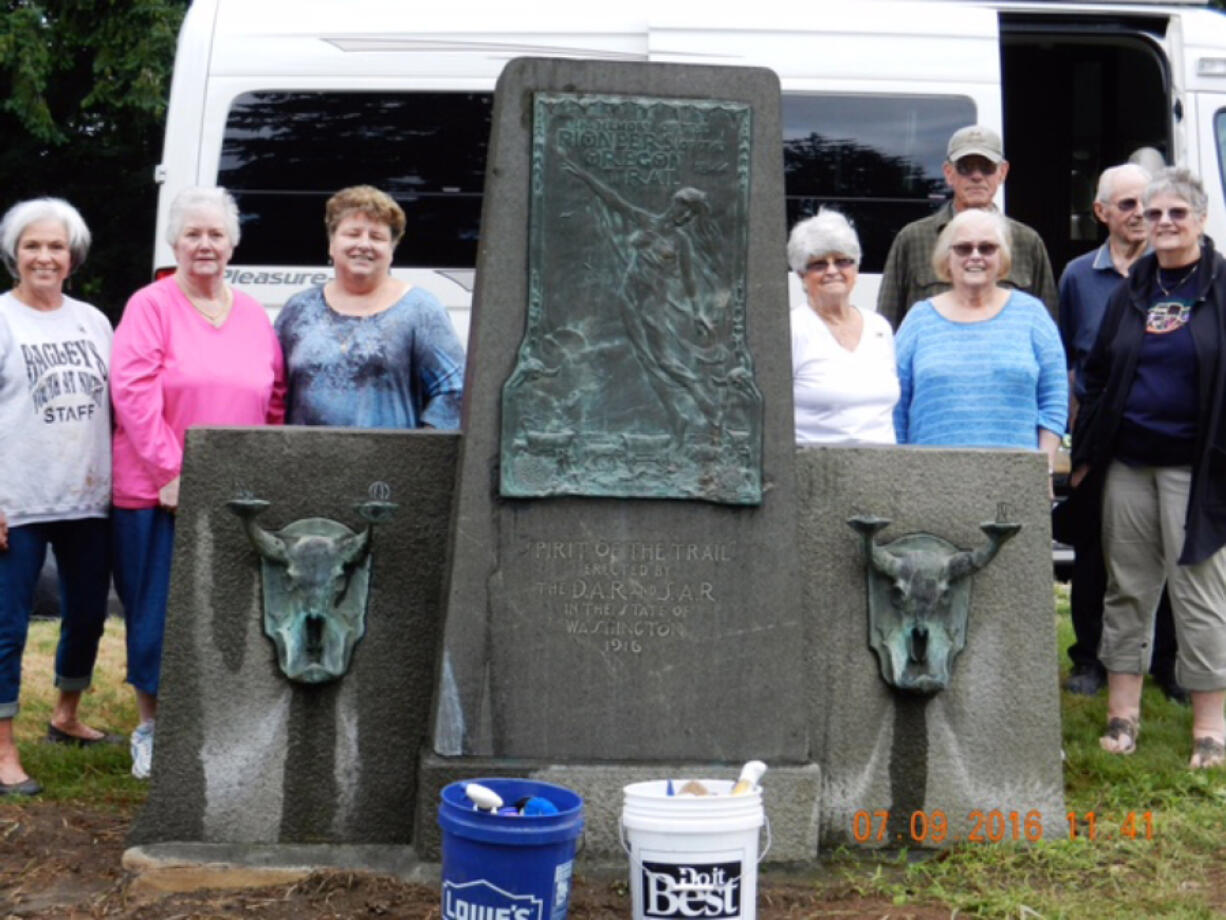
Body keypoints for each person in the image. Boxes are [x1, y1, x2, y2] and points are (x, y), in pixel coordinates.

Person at [111, 187, 285, 779]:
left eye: (216, 234)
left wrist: (264, 469)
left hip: (235, 496)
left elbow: (275, 398)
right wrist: (171, 472)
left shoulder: (255, 313)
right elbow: (132, 395)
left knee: (230, 615)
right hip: (158, 492)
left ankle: (218, 727)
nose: (205, 244)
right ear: (175, 243)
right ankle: (152, 731)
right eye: (193, 234)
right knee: (157, 617)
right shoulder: (150, 305)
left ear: (233, 243)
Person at [1070, 168, 1226, 769]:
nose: (1163, 223)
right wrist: (1085, 456)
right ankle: (1122, 715)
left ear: (1200, 220)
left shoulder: (1220, 286)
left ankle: (1210, 727)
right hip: (1129, 465)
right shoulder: (1132, 290)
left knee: (1200, 597)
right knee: (1128, 589)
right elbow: (1098, 373)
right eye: (1155, 214)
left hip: (1199, 470)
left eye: (1176, 214)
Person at [0, 198, 116, 796]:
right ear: (14, 254)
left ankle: (66, 714)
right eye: (32, 246)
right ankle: (2, 747)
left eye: (55, 246)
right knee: (7, 627)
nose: (44, 257)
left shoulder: (94, 321)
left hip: (88, 497)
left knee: (90, 614)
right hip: (16, 501)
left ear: (73, 256)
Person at [1057, 164, 1183, 701]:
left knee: (1174, 550)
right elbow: (1067, 361)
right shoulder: (1079, 276)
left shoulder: (1182, 275)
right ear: (1102, 213)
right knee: (1094, 552)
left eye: (1147, 204)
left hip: (1164, 433)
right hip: (1098, 433)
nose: (1140, 215)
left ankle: (1169, 664)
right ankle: (1091, 660)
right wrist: (1071, 442)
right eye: (1127, 205)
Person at [275, 186, 465, 429]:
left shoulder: (421, 310)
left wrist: (424, 453)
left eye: (376, 237)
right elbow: (271, 387)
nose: (364, 244)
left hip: (389, 464)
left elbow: (455, 389)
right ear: (331, 244)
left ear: (391, 250)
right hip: (302, 463)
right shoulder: (299, 308)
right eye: (353, 234)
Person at [893, 208, 1067, 469]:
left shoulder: (1032, 315)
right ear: (946, 257)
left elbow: (1054, 398)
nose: (975, 256)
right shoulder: (918, 320)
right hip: (930, 480)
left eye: (987, 248)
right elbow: (896, 405)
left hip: (1015, 481)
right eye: (963, 248)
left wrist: (1045, 467)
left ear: (1003, 256)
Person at [877, 124, 1058, 329]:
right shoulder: (912, 239)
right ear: (948, 173)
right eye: (966, 167)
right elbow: (886, 326)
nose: (977, 176)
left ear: (1002, 172)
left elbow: (1048, 326)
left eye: (986, 167)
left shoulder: (1028, 242)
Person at [787, 209, 898, 444]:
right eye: (818, 264)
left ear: (855, 268)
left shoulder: (880, 327)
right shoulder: (792, 329)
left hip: (884, 471)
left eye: (842, 261)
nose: (832, 271)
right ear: (801, 275)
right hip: (818, 471)